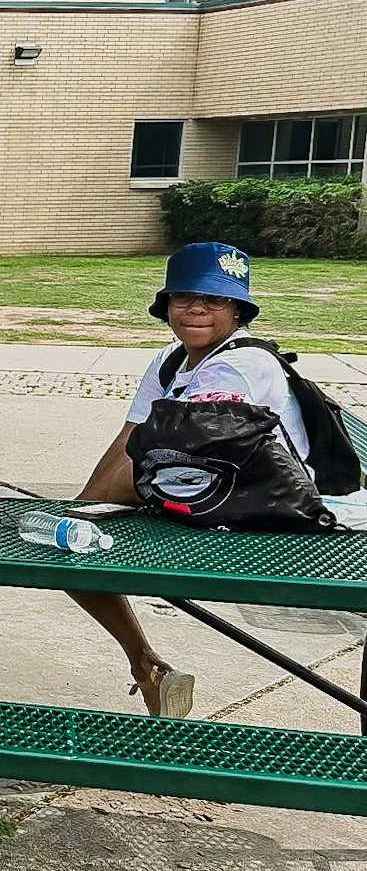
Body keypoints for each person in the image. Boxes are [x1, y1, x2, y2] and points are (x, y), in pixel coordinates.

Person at [65, 242, 312, 720]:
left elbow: (172, 462)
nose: (197, 308)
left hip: (267, 512)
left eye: (215, 300)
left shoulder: (239, 366)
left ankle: (144, 665)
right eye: (184, 297)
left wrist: (95, 507)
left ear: (237, 310)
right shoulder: (170, 358)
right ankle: (147, 664)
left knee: (76, 545)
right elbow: (131, 438)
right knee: (68, 547)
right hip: (200, 492)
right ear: (167, 306)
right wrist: (80, 505)